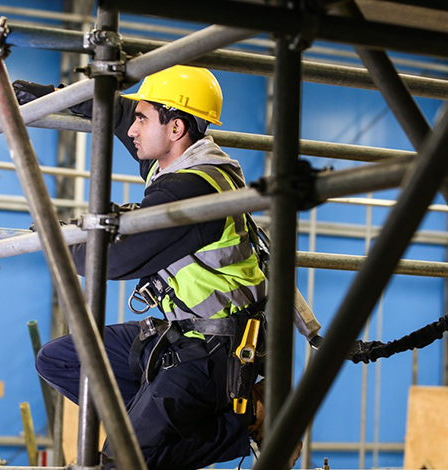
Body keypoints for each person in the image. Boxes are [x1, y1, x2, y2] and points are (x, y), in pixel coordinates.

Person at [17, 65, 299, 470]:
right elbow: (118, 111)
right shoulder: (178, 161)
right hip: (181, 335)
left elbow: (111, 259)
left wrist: (54, 237)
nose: (132, 130)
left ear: (176, 128)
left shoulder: (192, 191)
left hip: (214, 352)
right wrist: (53, 97)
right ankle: (161, 425)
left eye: (143, 120)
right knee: (61, 360)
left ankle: (239, 425)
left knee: (124, 460)